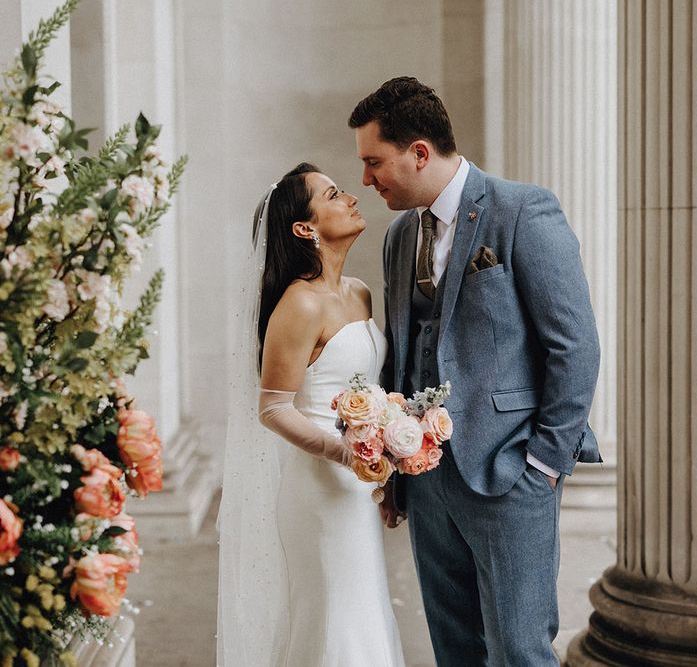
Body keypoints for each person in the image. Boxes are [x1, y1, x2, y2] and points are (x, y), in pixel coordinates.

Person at [348, 77, 602, 666]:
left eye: (373, 162)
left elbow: (575, 346)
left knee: (520, 651)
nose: (366, 179)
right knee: (454, 650)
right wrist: (393, 467)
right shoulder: (398, 235)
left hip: (511, 470)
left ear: (418, 152)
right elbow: (405, 354)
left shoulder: (522, 210)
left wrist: (543, 463)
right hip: (427, 477)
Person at [216, 163, 405, 666]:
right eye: (334, 194)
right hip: (320, 490)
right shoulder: (298, 305)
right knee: (332, 620)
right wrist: (348, 454)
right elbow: (273, 408)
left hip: (359, 488)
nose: (351, 197)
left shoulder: (360, 292)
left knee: (363, 613)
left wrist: (385, 472)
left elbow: (372, 391)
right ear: (305, 227)